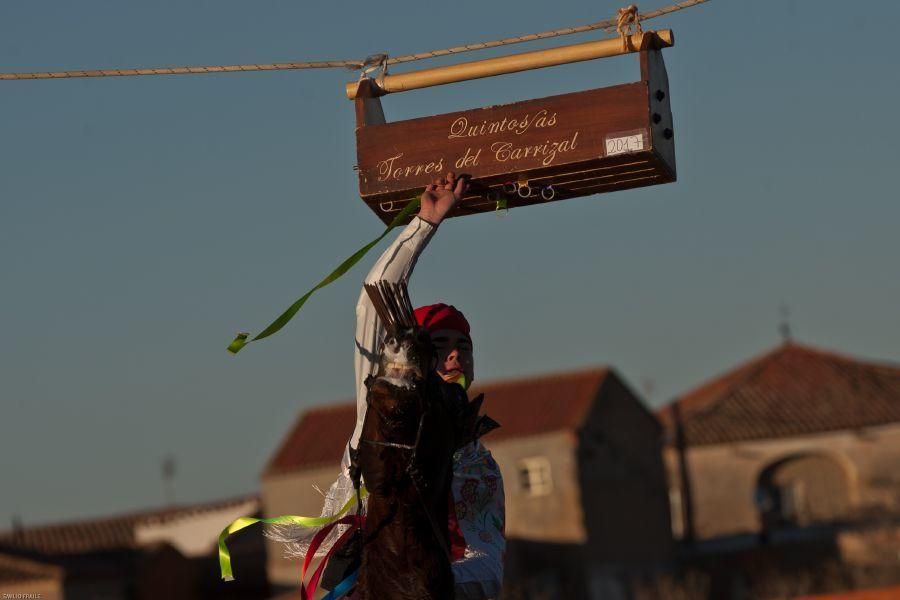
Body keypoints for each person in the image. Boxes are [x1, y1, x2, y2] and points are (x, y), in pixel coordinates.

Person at [324, 172, 506, 599]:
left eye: (464, 346)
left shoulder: (479, 466)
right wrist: (426, 221)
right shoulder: (380, 412)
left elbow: (488, 567)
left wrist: (421, 579)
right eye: (442, 346)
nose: (456, 355)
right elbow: (375, 298)